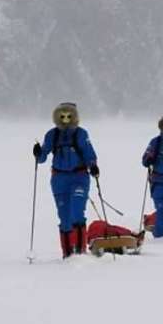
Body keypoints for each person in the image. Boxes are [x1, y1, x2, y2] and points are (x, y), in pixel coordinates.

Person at [32, 102, 99, 258]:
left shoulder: (81, 134)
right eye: (62, 117)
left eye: (69, 116)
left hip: (79, 177)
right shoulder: (52, 135)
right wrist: (38, 153)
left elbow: (90, 154)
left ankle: (80, 252)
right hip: (59, 179)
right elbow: (42, 158)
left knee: (77, 211)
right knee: (64, 216)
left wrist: (93, 166)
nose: (66, 120)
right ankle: (68, 254)